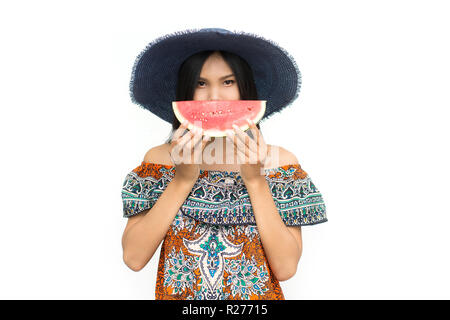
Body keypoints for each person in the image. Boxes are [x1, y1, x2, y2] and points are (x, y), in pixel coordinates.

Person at [121, 28, 328, 300]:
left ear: (246, 89)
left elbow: (286, 267)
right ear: (185, 90)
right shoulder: (157, 161)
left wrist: (255, 180)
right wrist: (182, 179)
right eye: (201, 83)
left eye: (228, 82)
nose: (214, 97)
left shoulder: (281, 165)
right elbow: (134, 258)